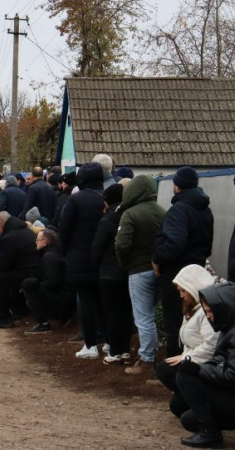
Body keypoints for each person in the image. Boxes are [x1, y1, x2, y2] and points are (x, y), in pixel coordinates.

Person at [153, 166, 215, 360]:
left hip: (176, 276)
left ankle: (174, 369)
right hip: (196, 273)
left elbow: (175, 243)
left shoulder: (179, 210)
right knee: (191, 321)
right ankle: (191, 362)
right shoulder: (205, 210)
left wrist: (157, 258)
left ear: (177, 186)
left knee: (175, 323)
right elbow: (208, 245)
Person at [115, 174, 167, 374]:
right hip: (159, 269)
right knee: (152, 314)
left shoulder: (130, 214)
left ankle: (146, 360)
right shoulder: (162, 211)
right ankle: (151, 352)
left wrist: (125, 263)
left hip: (138, 270)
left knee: (142, 316)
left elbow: (122, 244)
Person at [175, 282, 235, 449]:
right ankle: (209, 429)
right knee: (188, 419)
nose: (208, 316)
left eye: (210, 311)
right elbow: (219, 360)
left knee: (185, 376)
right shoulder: (227, 327)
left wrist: (199, 369)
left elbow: (232, 376)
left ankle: (210, 434)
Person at [155, 265, 219, 421]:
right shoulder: (192, 308)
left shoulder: (206, 310)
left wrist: (187, 357)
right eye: (180, 292)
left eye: (184, 291)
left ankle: (207, 399)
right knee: (177, 407)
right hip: (195, 358)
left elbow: (212, 344)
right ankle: (196, 398)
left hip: (206, 363)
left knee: (165, 369)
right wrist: (185, 355)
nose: (182, 296)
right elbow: (190, 340)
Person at [60, 161, 105, 359]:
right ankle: (110, 342)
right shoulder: (106, 197)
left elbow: (65, 229)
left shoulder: (76, 200)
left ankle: (90, 344)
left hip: (80, 258)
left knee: (86, 301)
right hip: (104, 258)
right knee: (105, 302)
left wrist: (65, 252)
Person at [90, 183, 132, 364]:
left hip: (108, 273)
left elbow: (97, 248)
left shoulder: (106, 220)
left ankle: (115, 350)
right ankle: (125, 349)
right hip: (129, 271)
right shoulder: (130, 217)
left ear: (107, 201)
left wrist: (95, 266)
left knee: (112, 313)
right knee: (126, 311)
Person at [0, 211, 42, 329]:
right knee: (11, 277)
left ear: (0, 225)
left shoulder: (9, 237)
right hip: (36, 268)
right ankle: (19, 310)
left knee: (0, 279)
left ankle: (3, 318)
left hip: (28, 271)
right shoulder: (26, 230)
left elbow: (4, 265)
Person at [22, 229, 75, 333]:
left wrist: (36, 285)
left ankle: (44, 324)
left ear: (45, 242)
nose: (36, 242)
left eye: (38, 239)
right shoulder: (54, 252)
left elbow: (53, 282)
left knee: (29, 285)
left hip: (65, 298)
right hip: (69, 295)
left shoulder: (49, 256)